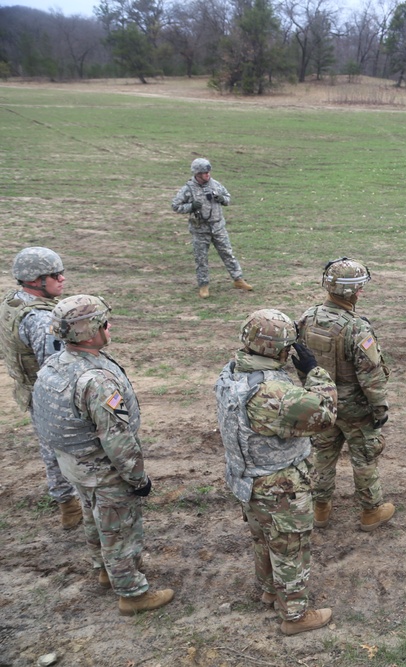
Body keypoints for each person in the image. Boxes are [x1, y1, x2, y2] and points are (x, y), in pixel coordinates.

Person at [31, 295, 174, 615]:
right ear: (89, 332)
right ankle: (132, 593)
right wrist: (138, 478)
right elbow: (116, 437)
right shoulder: (96, 380)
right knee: (120, 530)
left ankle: (103, 570)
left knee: (95, 518)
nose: (109, 327)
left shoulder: (56, 363)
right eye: (103, 323)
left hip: (74, 465)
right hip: (103, 469)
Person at [216, 309, 339, 635]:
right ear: (282, 350)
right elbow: (324, 415)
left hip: (247, 479)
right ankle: (295, 615)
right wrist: (315, 372)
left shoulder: (232, 371)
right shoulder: (272, 392)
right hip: (280, 485)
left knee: (262, 538)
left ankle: (270, 589)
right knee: (291, 548)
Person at [297, 258, 395, 532]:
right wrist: (380, 409)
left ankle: (320, 510)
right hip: (355, 409)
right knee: (364, 459)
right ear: (353, 292)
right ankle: (370, 512)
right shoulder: (357, 328)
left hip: (321, 402)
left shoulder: (307, 317)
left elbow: (300, 361)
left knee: (322, 456)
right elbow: (371, 375)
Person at [0, 247, 81, 529]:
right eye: (54, 275)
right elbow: (55, 369)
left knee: (50, 449)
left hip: (29, 389)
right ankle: (72, 506)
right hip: (49, 397)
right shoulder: (42, 319)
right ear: (35, 280)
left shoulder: (12, 302)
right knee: (65, 450)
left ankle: (66, 504)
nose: (62, 279)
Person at [171, 158, 253, 299]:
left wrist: (221, 198)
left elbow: (227, 198)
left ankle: (238, 279)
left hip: (218, 227)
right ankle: (203, 285)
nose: (207, 175)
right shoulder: (188, 189)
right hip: (200, 229)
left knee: (227, 253)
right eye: (204, 173)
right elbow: (175, 205)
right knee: (201, 258)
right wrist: (190, 207)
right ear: (197, 173)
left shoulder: (215, 185)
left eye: (208, 172)